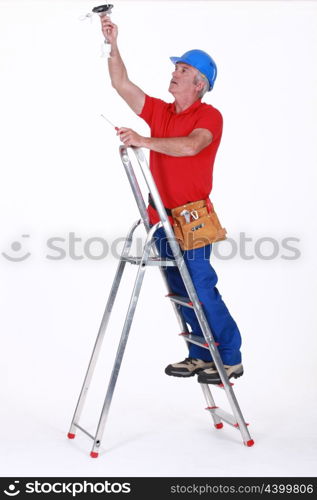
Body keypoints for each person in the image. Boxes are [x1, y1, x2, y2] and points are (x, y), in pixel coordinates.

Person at [101, 16, 244, 384]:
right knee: (179, 290)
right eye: (176, 68)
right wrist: (113, 43)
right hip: (159, 218)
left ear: (200, 83)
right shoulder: (161, 112)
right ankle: (199, 355)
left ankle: (229, 357)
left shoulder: (210, 116)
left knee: (201, 288)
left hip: (193, 218)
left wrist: (143, 141)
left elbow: (192, 145)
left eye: (183, 69)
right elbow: (121, 83)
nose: (175, 74)